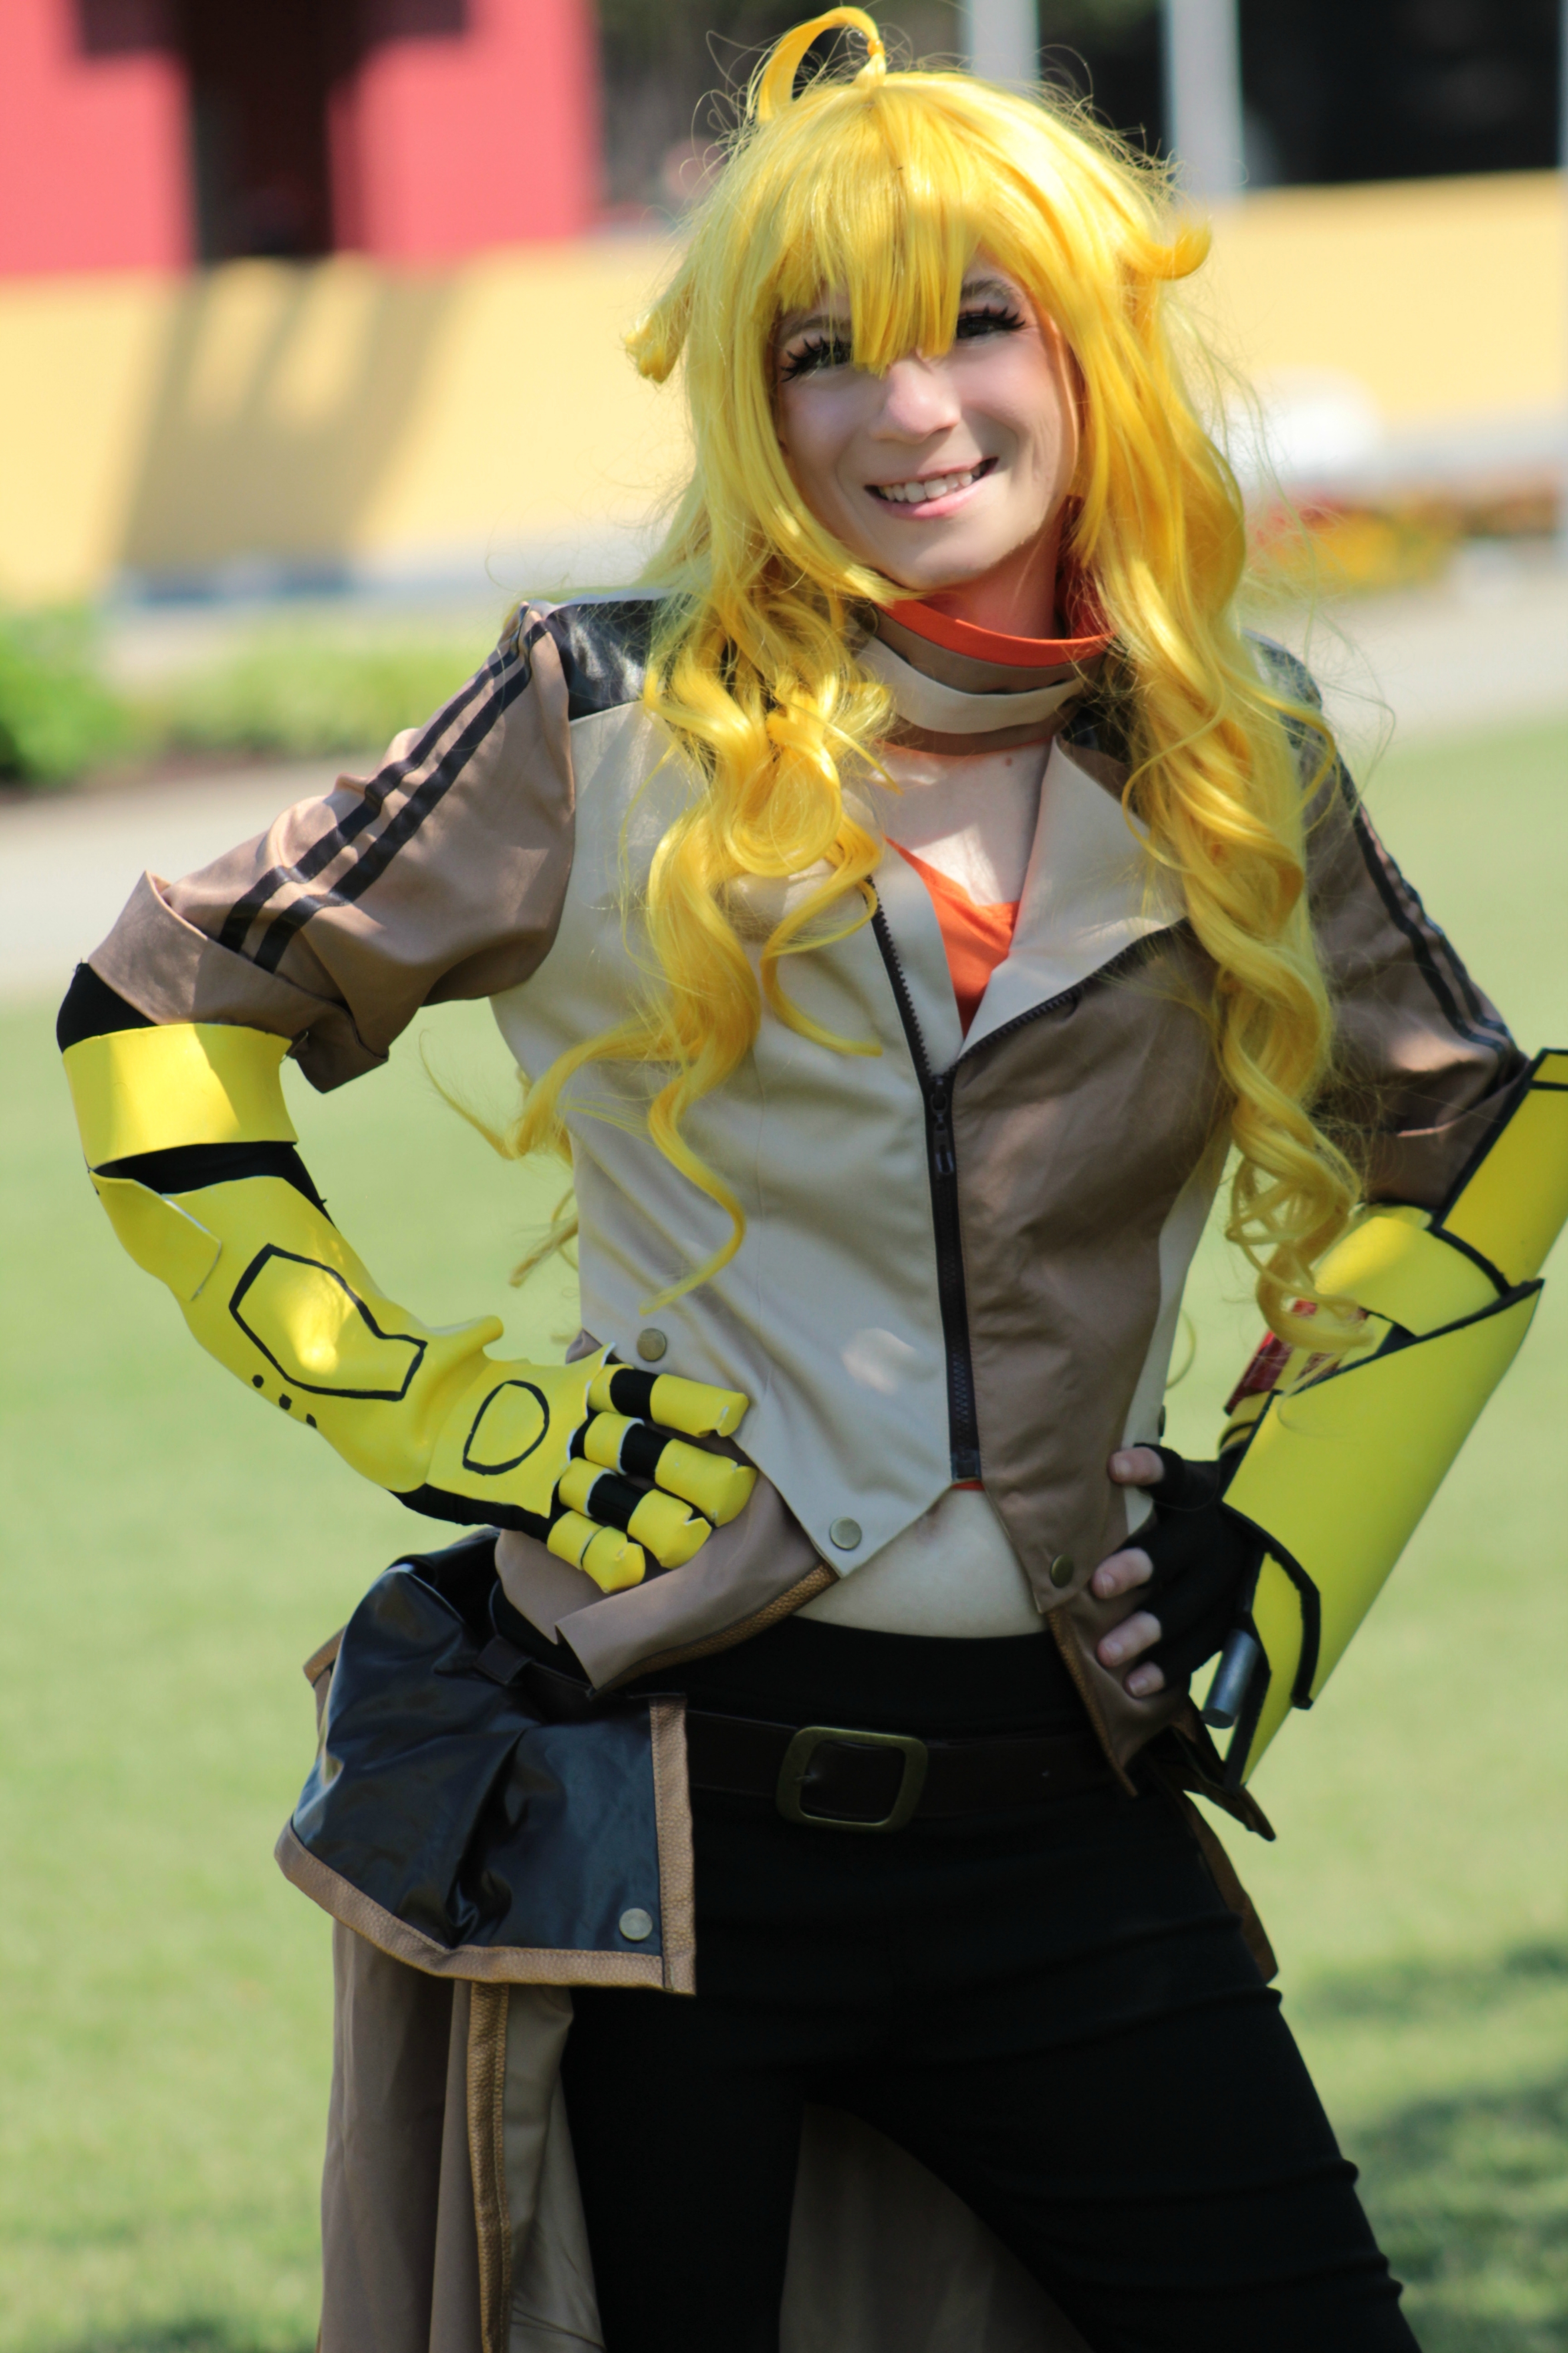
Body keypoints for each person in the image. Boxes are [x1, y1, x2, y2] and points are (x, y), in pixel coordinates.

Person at [59, 12, 1546, 2349]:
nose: (905, 408)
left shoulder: (1227, 751)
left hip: (1064, 1827)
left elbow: (1475, 1135)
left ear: (1090, 352)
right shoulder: (595, 716)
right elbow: (158, 1007)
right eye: (819, 350)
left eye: (976, 321)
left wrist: (1289, 1529)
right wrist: (429, 1404)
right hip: (661, 1829)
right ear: (754, 408)